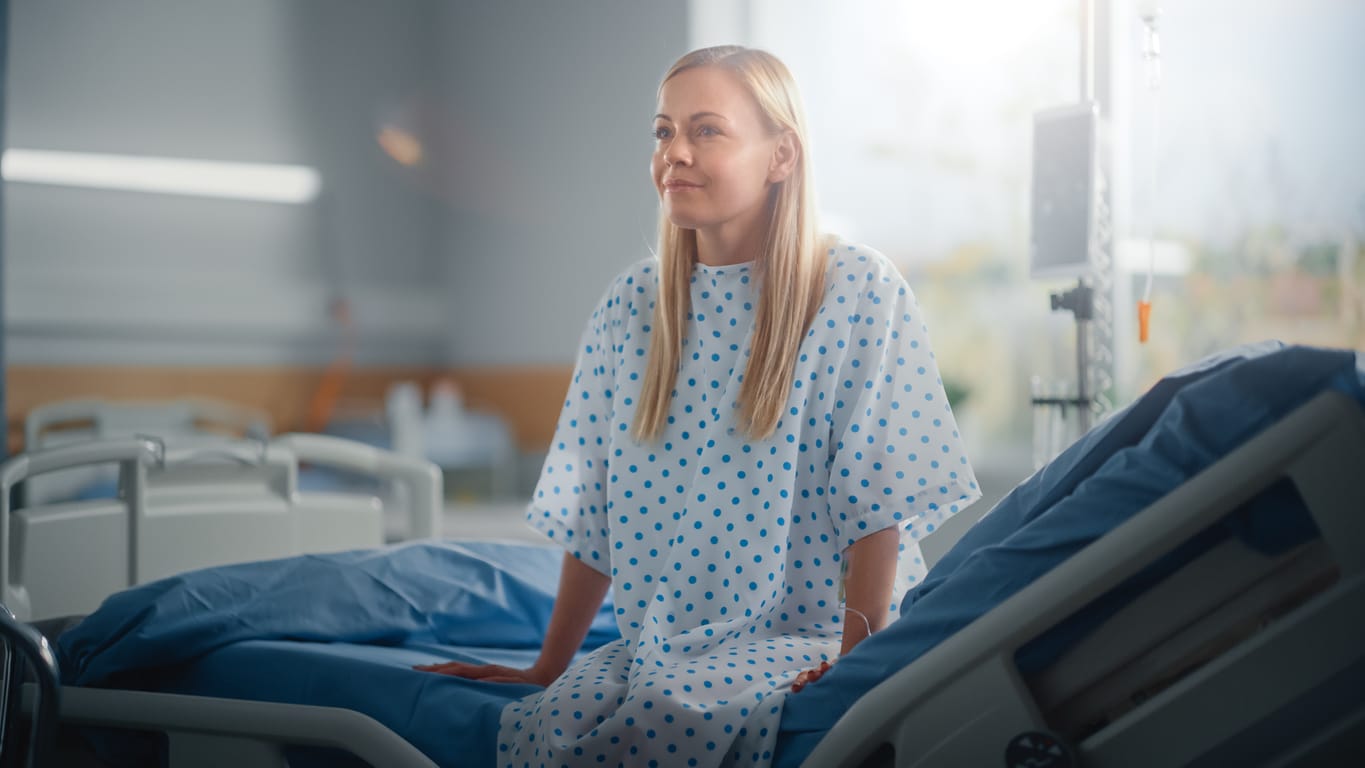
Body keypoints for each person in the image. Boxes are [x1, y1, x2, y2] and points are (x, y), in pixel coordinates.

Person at [417, 45, 979, 766]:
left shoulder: (855, 290)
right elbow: (593, 517)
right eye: (662, 131)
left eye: (705, 130)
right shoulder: (631, 309)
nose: (673, 153)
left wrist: (855, 666)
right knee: (552, 724)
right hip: (667, 638)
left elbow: (880, 505)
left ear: (781, 155)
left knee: (659, 716)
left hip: (807, 637)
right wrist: (547, 667)